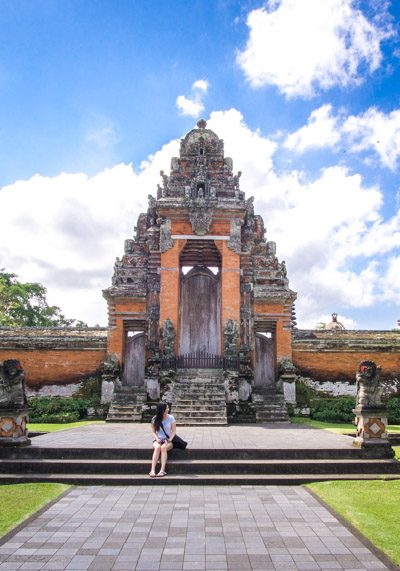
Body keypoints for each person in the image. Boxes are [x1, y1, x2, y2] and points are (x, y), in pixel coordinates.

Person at [149, 402, 176, 477]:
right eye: (167, 408)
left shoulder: (171, 418)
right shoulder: (155, 418)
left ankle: (162, 470)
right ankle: (152, 470)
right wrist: (157, 439)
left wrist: (170, 439)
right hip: (158, 439)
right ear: (163, 410)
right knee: (157, 448)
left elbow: (174, 431)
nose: (168, 409)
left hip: (168, 440)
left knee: (163, 448)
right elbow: (153, 432)